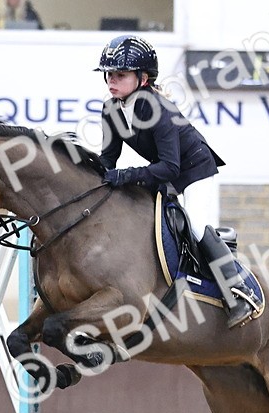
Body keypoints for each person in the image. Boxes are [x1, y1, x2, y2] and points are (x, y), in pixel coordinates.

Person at [95, 35, 257, 328]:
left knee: (195, 226)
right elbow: (108, 159)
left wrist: (127, 176)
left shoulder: (158, 109)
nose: (111, 80)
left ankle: (237, 291)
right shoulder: (111, 110)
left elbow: (170, 167)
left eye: (120, 74)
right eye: (109, 74)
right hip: (162, 171)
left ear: (143, 78)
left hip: (194, 170)